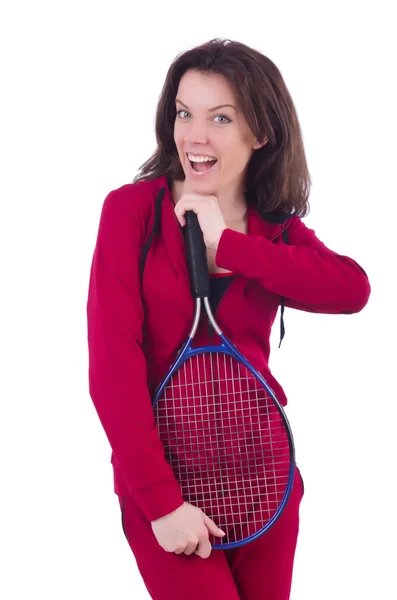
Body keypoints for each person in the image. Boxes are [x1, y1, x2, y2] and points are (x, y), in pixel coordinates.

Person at [86, 38, 370, 600]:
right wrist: (161, 503)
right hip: (166, 490)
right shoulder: (132, 213)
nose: (195, 135)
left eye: (220, 118)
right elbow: (112, 370)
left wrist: (231, 245)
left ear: (260, 133)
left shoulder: (274, 229)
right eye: (184, 113)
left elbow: (351, 289)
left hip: (265, 484)